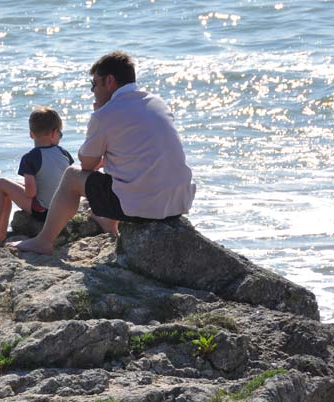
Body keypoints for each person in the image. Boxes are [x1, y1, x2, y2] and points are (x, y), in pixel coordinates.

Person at [11, 51, 196, 255]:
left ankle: (44, 241)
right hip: (179, 202)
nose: (93, 91)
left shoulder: (105, 114)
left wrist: (98, 113)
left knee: (72, 176)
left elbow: (87, 165)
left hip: (144, 209)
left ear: (109, 81)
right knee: (123, 164)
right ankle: (109, 223)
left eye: (94, 84)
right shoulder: (157, 102)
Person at [0, 107, 73, 243]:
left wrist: (20, 193)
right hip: (63, 210)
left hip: (44, 212)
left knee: (0, 185)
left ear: (31, 135)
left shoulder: (31, 158)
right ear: (53, 133)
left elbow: (30, 193)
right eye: (60, 134)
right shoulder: (64, 153)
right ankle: (1, 236)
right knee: (11, 187)